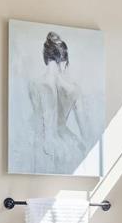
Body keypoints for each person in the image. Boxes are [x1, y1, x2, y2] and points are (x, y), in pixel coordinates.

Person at [27, 31, 91, 174]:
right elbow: (85, 132)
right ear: (64, 60)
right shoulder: (74, 89)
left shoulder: (35, 85)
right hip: (68, 146)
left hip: (44, 147)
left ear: (45, 58)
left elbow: (41, 123)